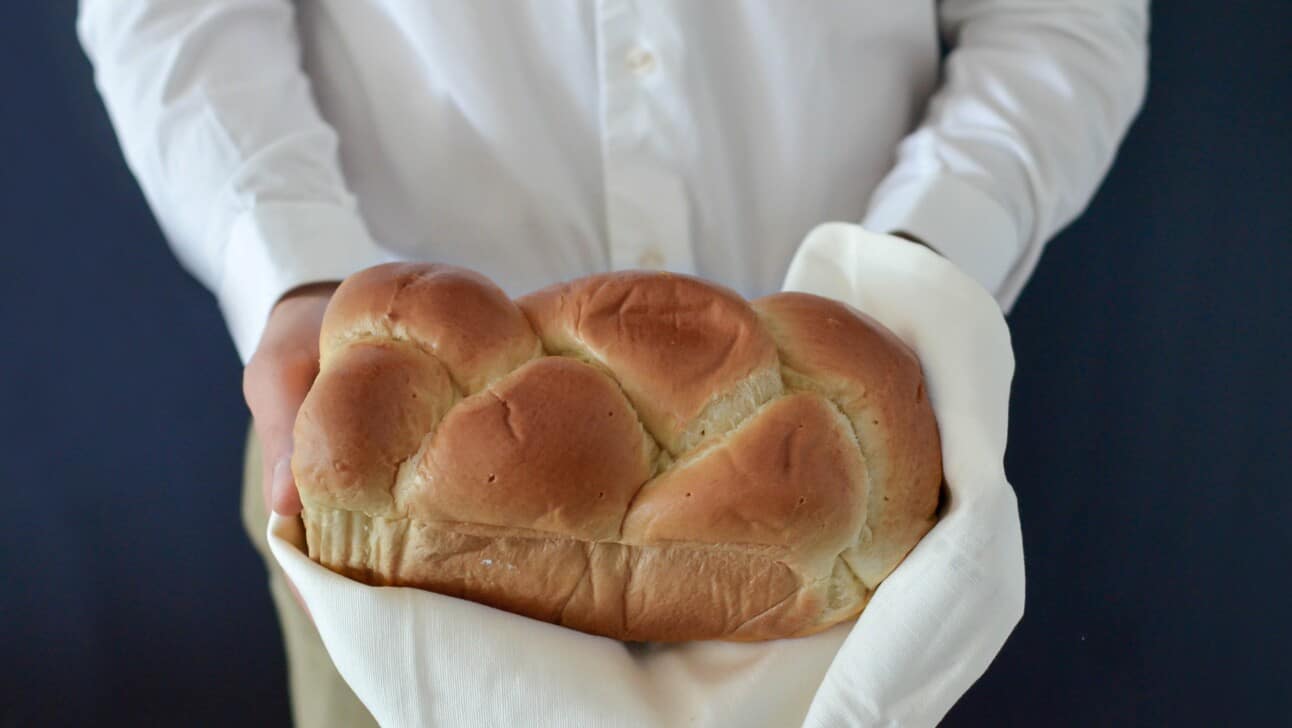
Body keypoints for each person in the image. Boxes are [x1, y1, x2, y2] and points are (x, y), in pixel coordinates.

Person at [79, 2, 1148, 725]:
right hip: (381, 474)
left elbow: (1059, 18)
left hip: (846, 476)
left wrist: (913, 271)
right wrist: (291, 270)